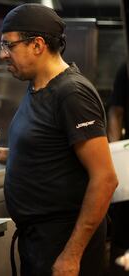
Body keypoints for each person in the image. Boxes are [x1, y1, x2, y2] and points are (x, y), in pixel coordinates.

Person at [0, 4, 118, 276]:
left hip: (64, 243)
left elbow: (105, 178)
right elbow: (43, 153)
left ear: (37, 45)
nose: (2, 55)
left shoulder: (72, 93)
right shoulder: (37, 88)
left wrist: (71, 255)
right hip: (38, 241)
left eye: (8, 45)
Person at [107, 62, 129, 276]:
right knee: (123, 232)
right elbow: (115, 112)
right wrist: (114, 155)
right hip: (128, 159)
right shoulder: (125, 69)